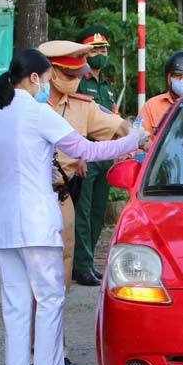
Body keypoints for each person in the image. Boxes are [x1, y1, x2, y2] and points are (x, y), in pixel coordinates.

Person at [0, 49, 147, 365]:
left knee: (16, 306)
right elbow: (84, 149)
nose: (49, 83)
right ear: (34, 78)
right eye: (48, 76)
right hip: (36, 222)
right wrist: (133, 140)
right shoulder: (39, 114)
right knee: (50, 299)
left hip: (4, 227)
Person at [42, 40, 131, 289]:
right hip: (27, 198)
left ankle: (79, 271)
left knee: (60, 274)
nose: (74, 79)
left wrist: (142, 139)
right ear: (50, 72)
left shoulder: (83, 106)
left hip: (61, 192)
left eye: (76, 74)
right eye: (68, 73)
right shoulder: (25, 107)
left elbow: (117, 125)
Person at [74, 26, 116, 287]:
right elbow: (76, 119)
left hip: (105, 156)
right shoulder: (79, 81)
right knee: (83, 213)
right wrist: (77, 153)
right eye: (95, 49)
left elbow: (110, 118)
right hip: (85, 155)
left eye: (103, 49)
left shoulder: (106, 86)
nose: (100, 53)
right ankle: (81, 266)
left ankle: (87, 262)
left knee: (99, 213)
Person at [140, 50, 183, 135]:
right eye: (177, 75)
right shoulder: (151, 106)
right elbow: (139, 140)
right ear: (169, 78)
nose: (182, 81)